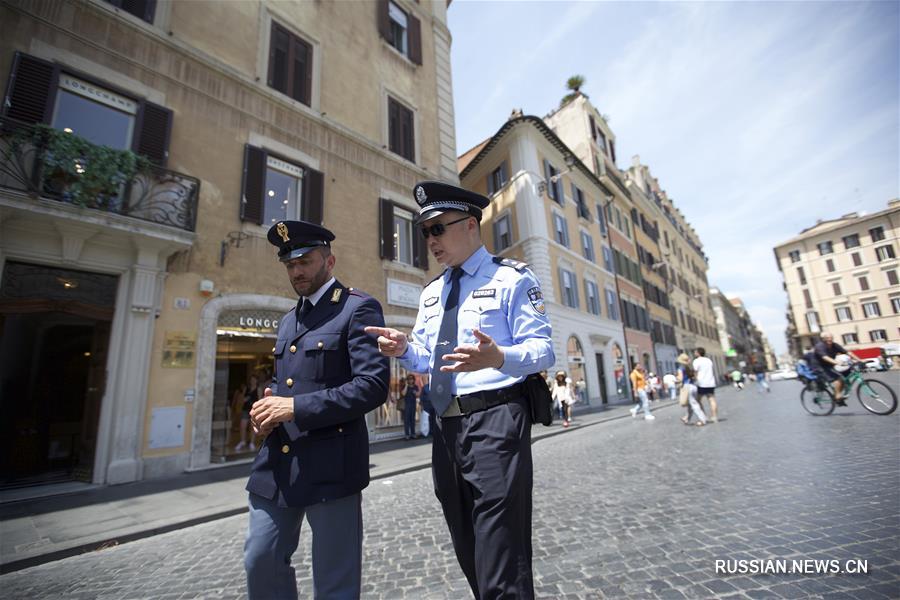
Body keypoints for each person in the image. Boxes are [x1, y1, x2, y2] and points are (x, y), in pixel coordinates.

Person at [365, 181, 554, 599]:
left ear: (470, 225)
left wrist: (498, 357)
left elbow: (543, 350)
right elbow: (424, 358)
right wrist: (403, 349)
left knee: (500, 548)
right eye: (425, 232)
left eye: (438, 229)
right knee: (467, 543)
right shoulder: (432, 292)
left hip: (495, 419)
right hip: (445, 426)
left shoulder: (512, 278)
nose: (430, 240)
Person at [243, 220, 390, 599]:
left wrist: (293, 407)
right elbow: (290, 382)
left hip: (331, 463)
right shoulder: (290, 319)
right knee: (260, 559)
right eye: (290, 265)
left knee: (334, 582)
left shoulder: (357, 309)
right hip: (278, 462)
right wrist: (268, 406)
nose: (296, 272)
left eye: (305, 261)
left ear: (329, 260)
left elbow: (372, 387)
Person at [812, 332, 860, 404]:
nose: (830, 339)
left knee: (843, 379)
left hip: (830, 366)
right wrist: (837, 363)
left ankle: (837, 394)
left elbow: (847, 352)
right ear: (823, 339)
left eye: (831, 338)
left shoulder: (834, 345)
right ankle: (837, 396)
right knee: (838, 379)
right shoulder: (820, 346)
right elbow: (825, 357)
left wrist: (859, 359)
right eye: (828, 338)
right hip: (819, 367)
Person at [676, 353, 706, 426]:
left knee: (694, 404)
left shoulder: (680, 368)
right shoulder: (689, 367)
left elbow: (681, 378)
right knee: (690, 404)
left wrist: (676, 380)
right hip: (693, 386)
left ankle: (703, 419)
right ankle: (687, 418)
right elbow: (694, 377)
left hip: (687, 387)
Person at [692, 347, 718, 423]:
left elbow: (695, 372)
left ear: (698, 353)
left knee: (698, 400)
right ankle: (714, 416)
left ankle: (704, 416)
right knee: (712, 400)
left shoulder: (696, 361)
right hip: (710, 382)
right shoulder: (708, 360)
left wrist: (695, 380)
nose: (694, 353)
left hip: (701, 383)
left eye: (695, 352)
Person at [235, 374, 259, 452]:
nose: (252, 381)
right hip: (245, 409)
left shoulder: (258, 389)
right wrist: (244, 399)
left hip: (254, 409)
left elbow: (260, 399)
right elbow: (242, 397)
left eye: (254, 379)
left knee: (252, 427)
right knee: (242, 426)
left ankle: (252, 442)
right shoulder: (247, 388)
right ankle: (242, 441)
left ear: (256, 380)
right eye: (251, 379)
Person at [401, 374, 420, 440]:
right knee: (406, 420)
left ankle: (413, 433)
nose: (410, 380)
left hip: (413, 404)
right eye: (409, 379)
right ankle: (407, 434)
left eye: (411, 379)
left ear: (413, 380)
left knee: (412, 420)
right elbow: (403, 393)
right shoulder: (405, 386)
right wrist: (406, 385)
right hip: (406, 405)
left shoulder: (415, 387)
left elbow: (418, 395)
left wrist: (415, 393)